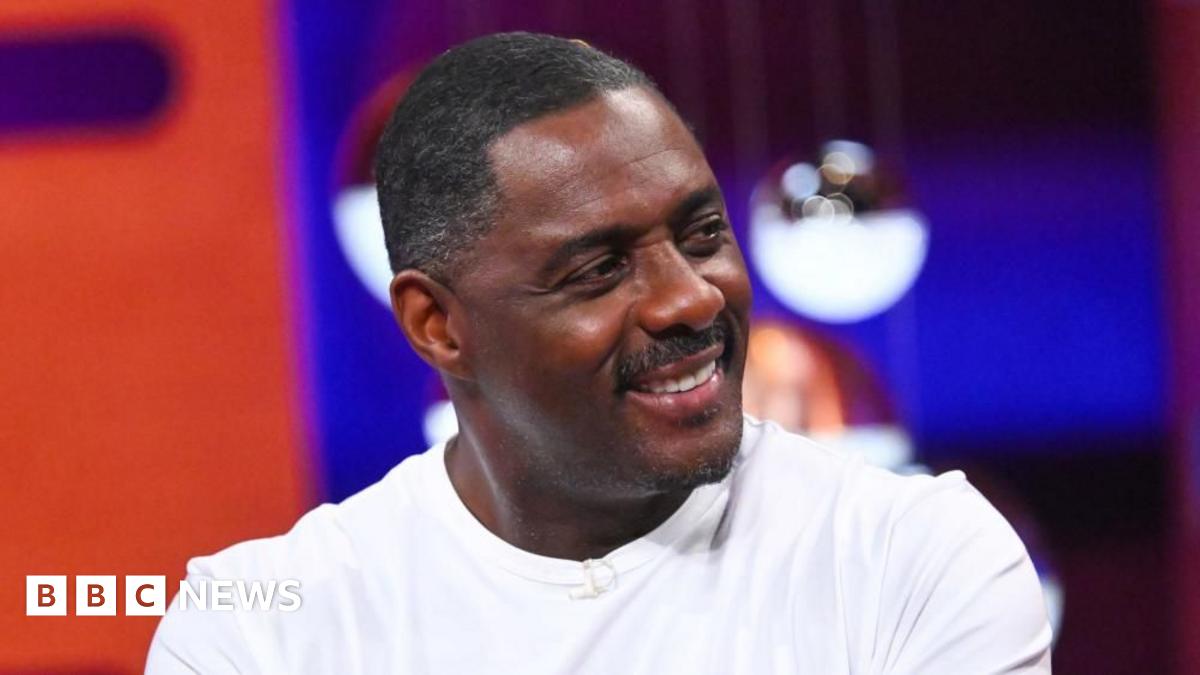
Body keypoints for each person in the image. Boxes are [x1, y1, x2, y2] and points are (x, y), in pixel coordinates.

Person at [146, 32, 1052, 673]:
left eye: (701, 234)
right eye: (600, 268)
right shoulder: (261, 628)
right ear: (437, 325)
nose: (690, 297)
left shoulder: (916, 559)